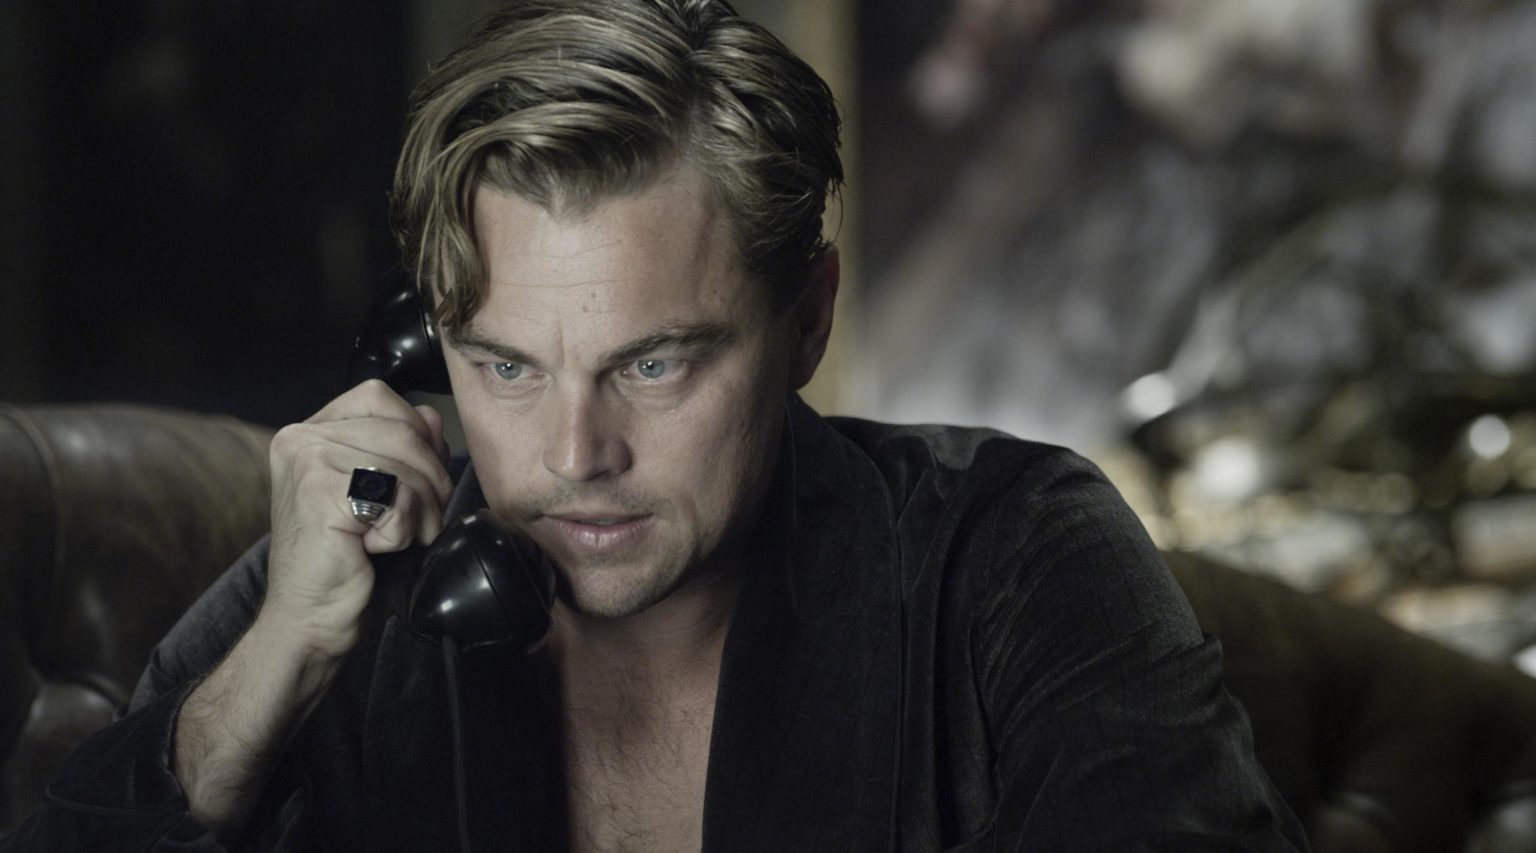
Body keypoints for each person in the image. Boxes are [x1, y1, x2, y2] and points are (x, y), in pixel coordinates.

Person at [5, 1, 1309, 850]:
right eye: (505, 367)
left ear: (806, 320)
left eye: (654, 363)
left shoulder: (1012, 553)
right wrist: (282, 656)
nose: (575, 455)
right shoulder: (342, 588)